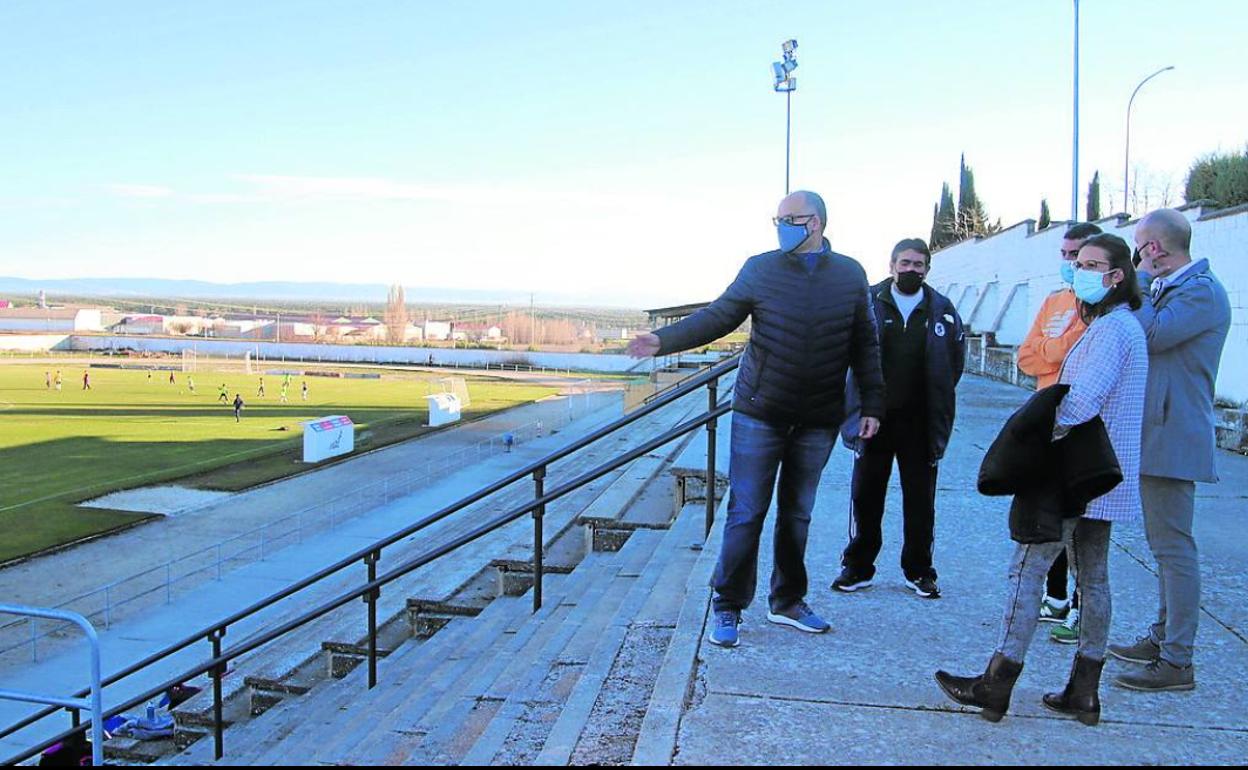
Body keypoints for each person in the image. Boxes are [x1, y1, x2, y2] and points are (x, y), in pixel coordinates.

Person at [628, 190, 884, 648]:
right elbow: (718, 316)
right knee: (746, 512)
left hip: (818, 418)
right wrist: (662, 341)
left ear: (817, 223)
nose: (782, 226)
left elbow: (865, 343)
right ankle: (727, 606)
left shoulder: (850, 274)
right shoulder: (760, 268)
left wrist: (871, 406)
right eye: (777, 219)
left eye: (792, 218)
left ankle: (787, 600)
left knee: (798, 514)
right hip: (759, 413)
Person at [935, 233, 1147, 725]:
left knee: (1026, 569)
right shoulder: (1125, 327)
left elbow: (1079, 402)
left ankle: (996, 683)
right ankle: (1084, 690)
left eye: (1092, 263)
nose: (1079, 269)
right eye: (1076, 259)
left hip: (1073, 474)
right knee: (1093, 578)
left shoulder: (1111, 330)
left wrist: (1029, 443)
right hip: (1104, 477)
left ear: (1117, 276)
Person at [1108, 209, 1231, 692]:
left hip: (1172, 435)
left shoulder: (1201, 291)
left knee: (1174, 549)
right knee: (1164, 547)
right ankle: (1163, 638)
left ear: (1154, 249)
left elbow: (1152, 334)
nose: (1138, 255)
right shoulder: (1175, 289)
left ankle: (1178, 660)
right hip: (1156, 432)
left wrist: (1134, 281)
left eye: (1140, 247)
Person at [833, 238, 965, 599]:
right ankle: (857, 567)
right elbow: (847, 354)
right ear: (891, 265)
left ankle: (919, 570)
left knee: (921, 501)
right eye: (904, 263)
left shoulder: (943, 309)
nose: (911, 270)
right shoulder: (868, 301)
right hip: (873, 419)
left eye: (918, 264)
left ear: (927, 269)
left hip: (921, 422)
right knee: (865, 497)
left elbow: (955, 362)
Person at [1018, 222, 1103, 643]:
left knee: (1085, 528)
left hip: (1083, 424)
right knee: (1049, 514)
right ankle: (1056, 599)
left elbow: (1072, 353)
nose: (1070, 264)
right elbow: (1025, 357)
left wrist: (1049, 352)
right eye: (1066, 255)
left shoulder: (1098, 309)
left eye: (1079, 257)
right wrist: (1054, 351)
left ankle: (1081, 608)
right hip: (1046, 420)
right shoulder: (1055, 301)